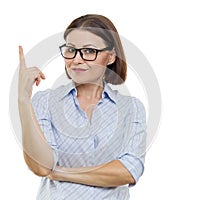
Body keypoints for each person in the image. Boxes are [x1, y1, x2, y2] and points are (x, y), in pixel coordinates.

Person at [18, 14, 147, 200]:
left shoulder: (131, 108)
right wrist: (23, 99)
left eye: (88, 51)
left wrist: (61, 173)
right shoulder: (45, 102)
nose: (77, 59)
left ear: (110, 56)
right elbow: (42, 166)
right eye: (71, 50)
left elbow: (129, 170)